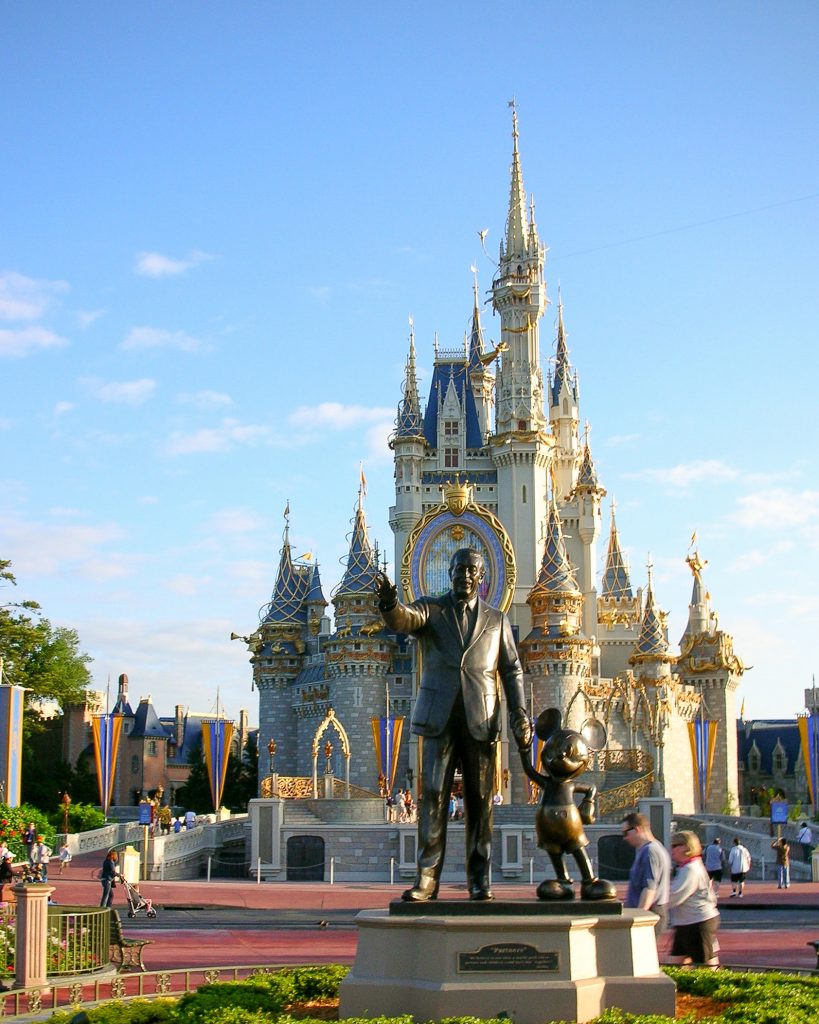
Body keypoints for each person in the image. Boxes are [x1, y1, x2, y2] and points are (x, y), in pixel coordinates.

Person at [376, 547, 532, 902]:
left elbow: (512, 670)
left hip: (482, 719)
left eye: (471, 569)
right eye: (458, 568)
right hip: (439, 719)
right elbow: (403, 620)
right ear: (449, 572)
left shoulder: (498, 620)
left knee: (480, 802)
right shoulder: (432, 609)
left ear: (482, 577)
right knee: (432, 796)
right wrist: (389, 604)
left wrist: (519, 712)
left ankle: (479, 879)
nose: (464, 574)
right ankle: (427, 878)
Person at [667, 830, 720, 968]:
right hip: (687, 923)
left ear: (686, 847)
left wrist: (655, 902)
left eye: (675, 846)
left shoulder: (690, 869)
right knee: (675, 964)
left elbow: (675, 896)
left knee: (705, 966)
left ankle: (719, 988)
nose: (671, 850)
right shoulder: (689, 867)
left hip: (698, 923)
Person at [621, 812, 672, 936]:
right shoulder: (654, 849)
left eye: (625, 833)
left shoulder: (650, 851)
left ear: (637, 829)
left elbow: (650, 888)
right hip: (653, 911)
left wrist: (639, 919)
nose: (624, 838)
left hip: (650, 912)